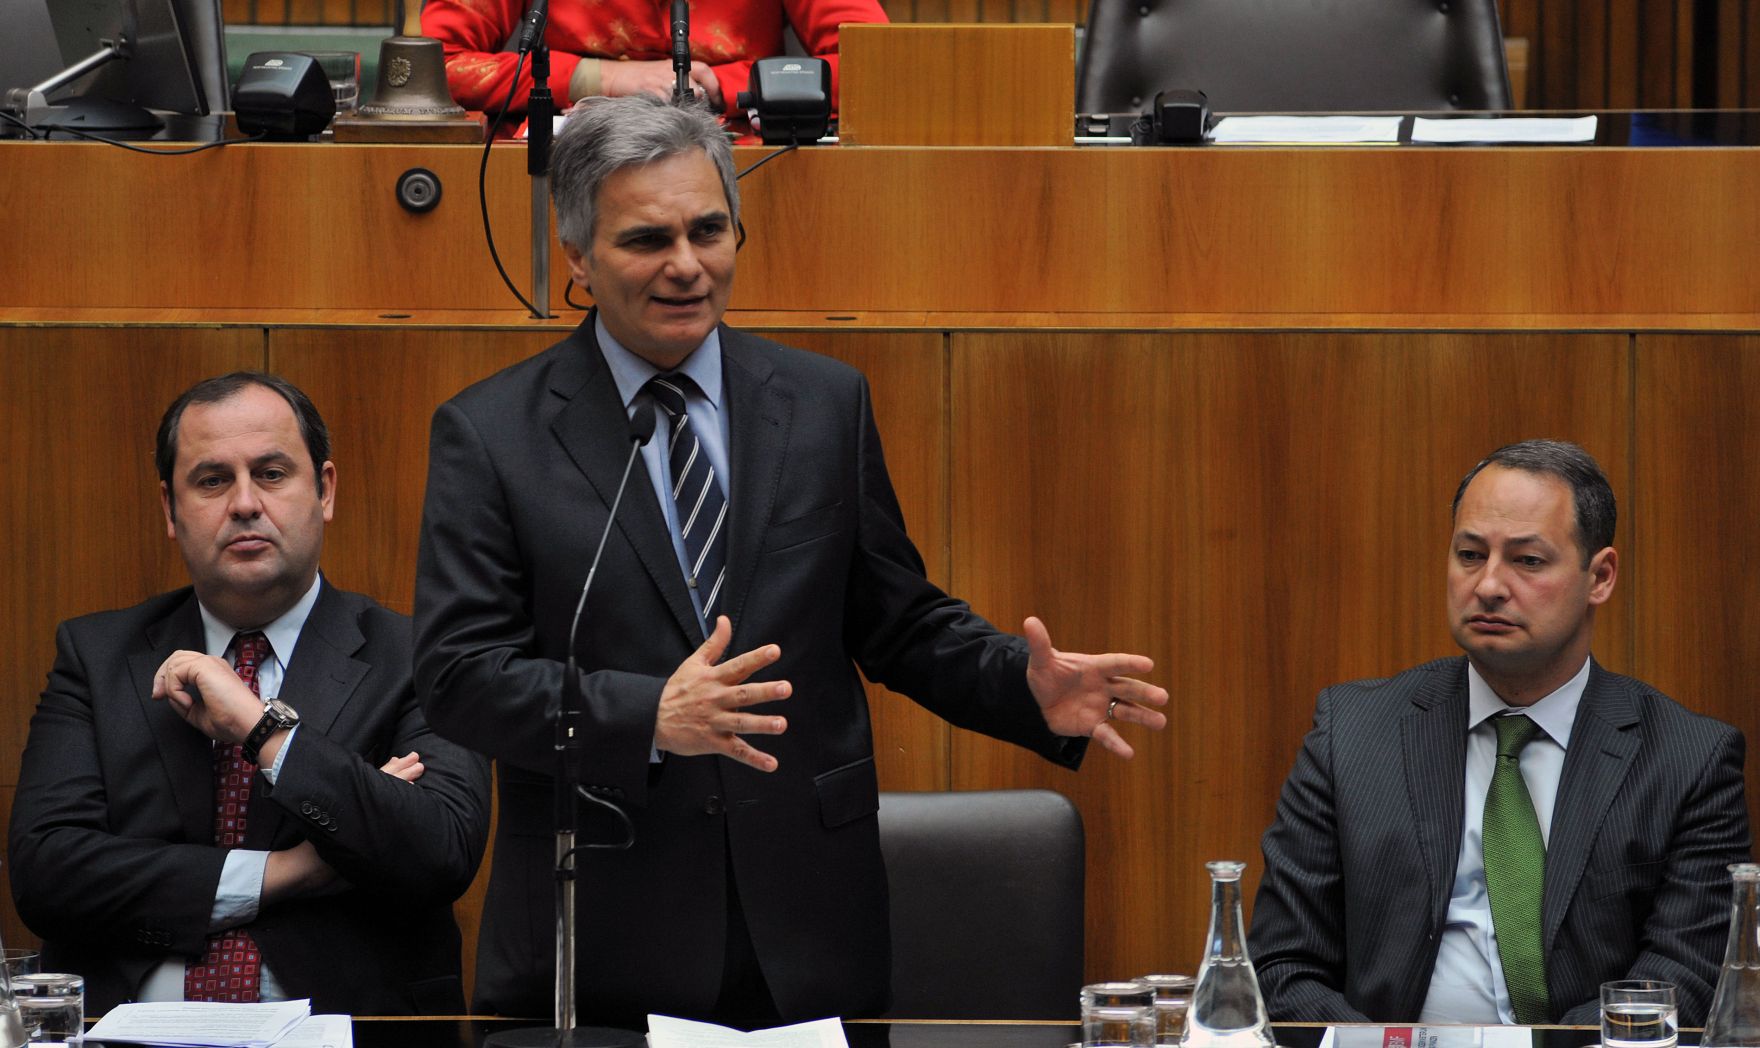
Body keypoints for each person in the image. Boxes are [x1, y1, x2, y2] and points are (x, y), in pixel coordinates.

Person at [413, 94, 1169, 1029]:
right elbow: (459, 677)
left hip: (809, 931)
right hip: (603, 933)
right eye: (647, 240)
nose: (686, 266)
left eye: (708, 230)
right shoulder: (493, 435)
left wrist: (1023, 686)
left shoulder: (822, 405)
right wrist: (651, 713)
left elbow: (899, 623)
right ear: (577, 255)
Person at [8, 373, 492, 1015]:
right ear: (170, 510)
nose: (243, 503)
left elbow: (439, 849)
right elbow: (49, 873)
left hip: (350, 1026)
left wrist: (266, 735)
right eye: (211, 480)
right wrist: (289, 871)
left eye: (271, 473)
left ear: (323, 490)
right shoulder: (96, 656)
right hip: (128, 1026)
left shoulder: (417, 656)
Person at [1248, 439, 1750, 1027]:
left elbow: (1684, 976)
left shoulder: (1688, 760)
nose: (1488, 585)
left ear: (1601, 576)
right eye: (1469, 554)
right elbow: (1283, 964)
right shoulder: (1353, 733)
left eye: (1527, 560)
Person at [422, 0, 887, 122]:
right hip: (565, 157)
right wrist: (602, 78)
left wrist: (718, 85)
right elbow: (429, 68)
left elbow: (880, 69)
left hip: (736, 157)